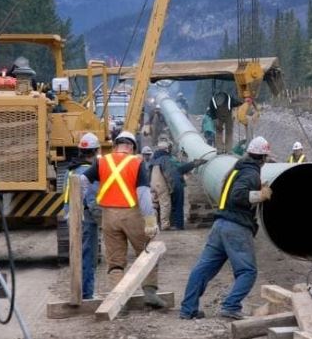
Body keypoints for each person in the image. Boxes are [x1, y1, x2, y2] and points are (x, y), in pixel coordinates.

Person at [180, 137, 273, 320]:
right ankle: (231, 306)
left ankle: (188, 310)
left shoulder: (237, 169)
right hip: (236, 227)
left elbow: (232, 191)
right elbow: (238, 196)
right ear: (262, 157)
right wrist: (259, 195)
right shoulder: (250, 173)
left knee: (203, 269)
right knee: (247, 271)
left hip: (220, 225)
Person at [81, 131, 166, 308]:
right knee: (147, 252)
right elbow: (143, 194)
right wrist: (150, 219)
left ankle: (119, 302)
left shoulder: (102, 161)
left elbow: (82, 180)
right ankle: (149, 293)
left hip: (109, 217)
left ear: (115, 146)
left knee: (115, 261)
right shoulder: (137, 162)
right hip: (131, 214)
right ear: (132, 147)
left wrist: (78, 204)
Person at [62, 133, 101, 299]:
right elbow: (92, 199)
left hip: (72, 217)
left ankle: (79, 292)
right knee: (87, 256)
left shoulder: (70, 170)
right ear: (96, 151)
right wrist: (101, 219)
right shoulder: (89, 171)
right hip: (86, 219)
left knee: (77, 254)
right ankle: (86, 294)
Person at [151, 140, 207, 230]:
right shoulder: (167, 159)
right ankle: (177, 225)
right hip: (172, 184)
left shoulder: (154, 159)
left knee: (161, 205)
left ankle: (166, 223)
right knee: (176, 205)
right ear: (167, 149)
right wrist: (193, 164)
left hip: (157, 185)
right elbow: (177, 170)